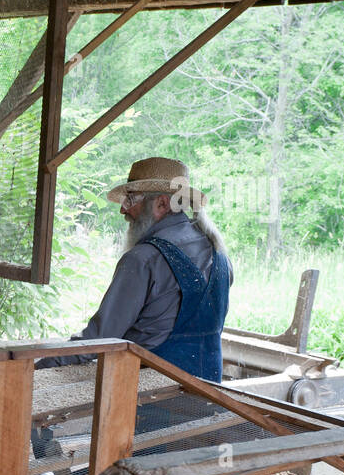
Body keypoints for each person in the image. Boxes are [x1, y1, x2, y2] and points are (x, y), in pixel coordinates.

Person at [36, 156, 233, 382]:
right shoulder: (219, 254)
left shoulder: (143, 259)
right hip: (208, 393)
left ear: (161, 204)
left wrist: (37, 365)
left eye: (131, 200)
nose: (123, 210)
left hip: (149, 396)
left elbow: (99, 339)